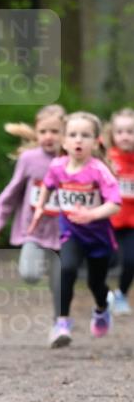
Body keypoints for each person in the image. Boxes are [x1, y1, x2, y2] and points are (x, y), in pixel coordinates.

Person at [29, 111, 121, 346]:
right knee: (66, 269)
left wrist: (91, 214)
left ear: (96, 141)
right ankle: (61, 324)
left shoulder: (99, 170)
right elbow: (48, 186)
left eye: (85, 135)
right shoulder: (57, 166)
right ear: (65, 141)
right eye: (73, 135)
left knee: (95, 284)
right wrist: (39, 208)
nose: (78, 140)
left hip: (98, 238)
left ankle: (102, 308)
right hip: (72, 233)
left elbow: (115, 203)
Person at [0, 104, 65, 346]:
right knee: (30, 274)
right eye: (44, 131)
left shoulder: (72, 159)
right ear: (37, 133)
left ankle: (59, 327)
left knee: (59, 284)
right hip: (33, 230)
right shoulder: (29, 159)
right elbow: (12, 192)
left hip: (63, 232)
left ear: (65, 132)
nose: (49, 136)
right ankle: (42, 264)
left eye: (55, 131)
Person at [105, 107, 134, 315]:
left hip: (131, 222)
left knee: (131, 260)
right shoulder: (105, 158)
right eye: (120, 131)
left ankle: (121, 294)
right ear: (112, 134)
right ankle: (102, 295)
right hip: (107, 220)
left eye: (131, 131)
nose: (125, 136)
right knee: (106, 260)